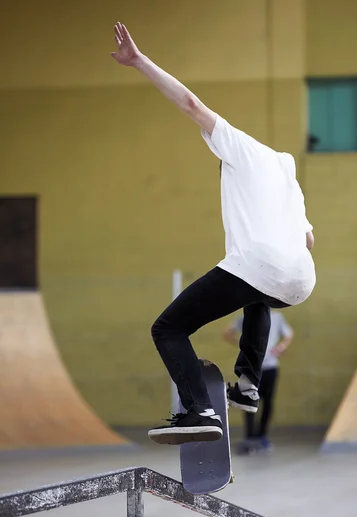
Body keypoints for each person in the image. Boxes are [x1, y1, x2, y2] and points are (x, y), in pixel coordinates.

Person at [111, 22, 316, 445]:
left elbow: (189, 103)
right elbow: (310, 240)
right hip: (301, 280)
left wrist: (139, 61)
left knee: (168, 328)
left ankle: (199, 410)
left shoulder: (237, 146)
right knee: (259, 295)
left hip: (256, 266)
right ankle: (248, 385)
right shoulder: (286, 173)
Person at [223, 310, 293, 453]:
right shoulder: (245, 316)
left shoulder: (276, 317)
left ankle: (262, 436)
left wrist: (281, 347)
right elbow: (227, 332)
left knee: (267, 402)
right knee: (248, 401)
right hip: (251, 368)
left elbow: (289, 334)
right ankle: (250, 437)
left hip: (270, 366)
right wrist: (242, 344)